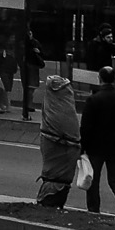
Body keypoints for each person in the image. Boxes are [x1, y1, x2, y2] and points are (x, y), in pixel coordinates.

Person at [77, 68, 115, 219]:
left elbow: (85, 127)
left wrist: (82, 147)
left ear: (100, 79)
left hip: (95, 146)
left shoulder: (93, 100)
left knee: (93, 180)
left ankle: (93, 211)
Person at [35, 74, 81, 208]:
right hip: (71, 148)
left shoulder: (50, 103)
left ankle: (48, 199)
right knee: (61, 176)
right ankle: (56, 199)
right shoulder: (67, 99)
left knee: (53, 173)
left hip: (52, 141)